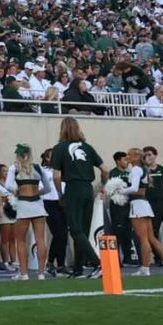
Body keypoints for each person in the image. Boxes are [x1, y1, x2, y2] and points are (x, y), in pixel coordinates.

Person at [52, 117, 103, 279]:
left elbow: (56, 176)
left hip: (73, 188)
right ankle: (78, 269)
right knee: (83, 231)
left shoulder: (59, 148)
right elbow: (105, 169)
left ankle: (98, 263)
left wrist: (60, 194)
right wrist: (103, 186)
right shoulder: (87, 147)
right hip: (88, 187)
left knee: (75, 229)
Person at [0, 142, 55, 280]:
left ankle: (24, 273)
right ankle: (41, 273)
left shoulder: (15, 167)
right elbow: (48, 188)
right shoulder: (37, 167)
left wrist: (17, 191)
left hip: (24, 204)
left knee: (21, 240)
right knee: (40, 239)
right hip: (38, 204)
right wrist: (38, 192)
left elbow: (7, 186)